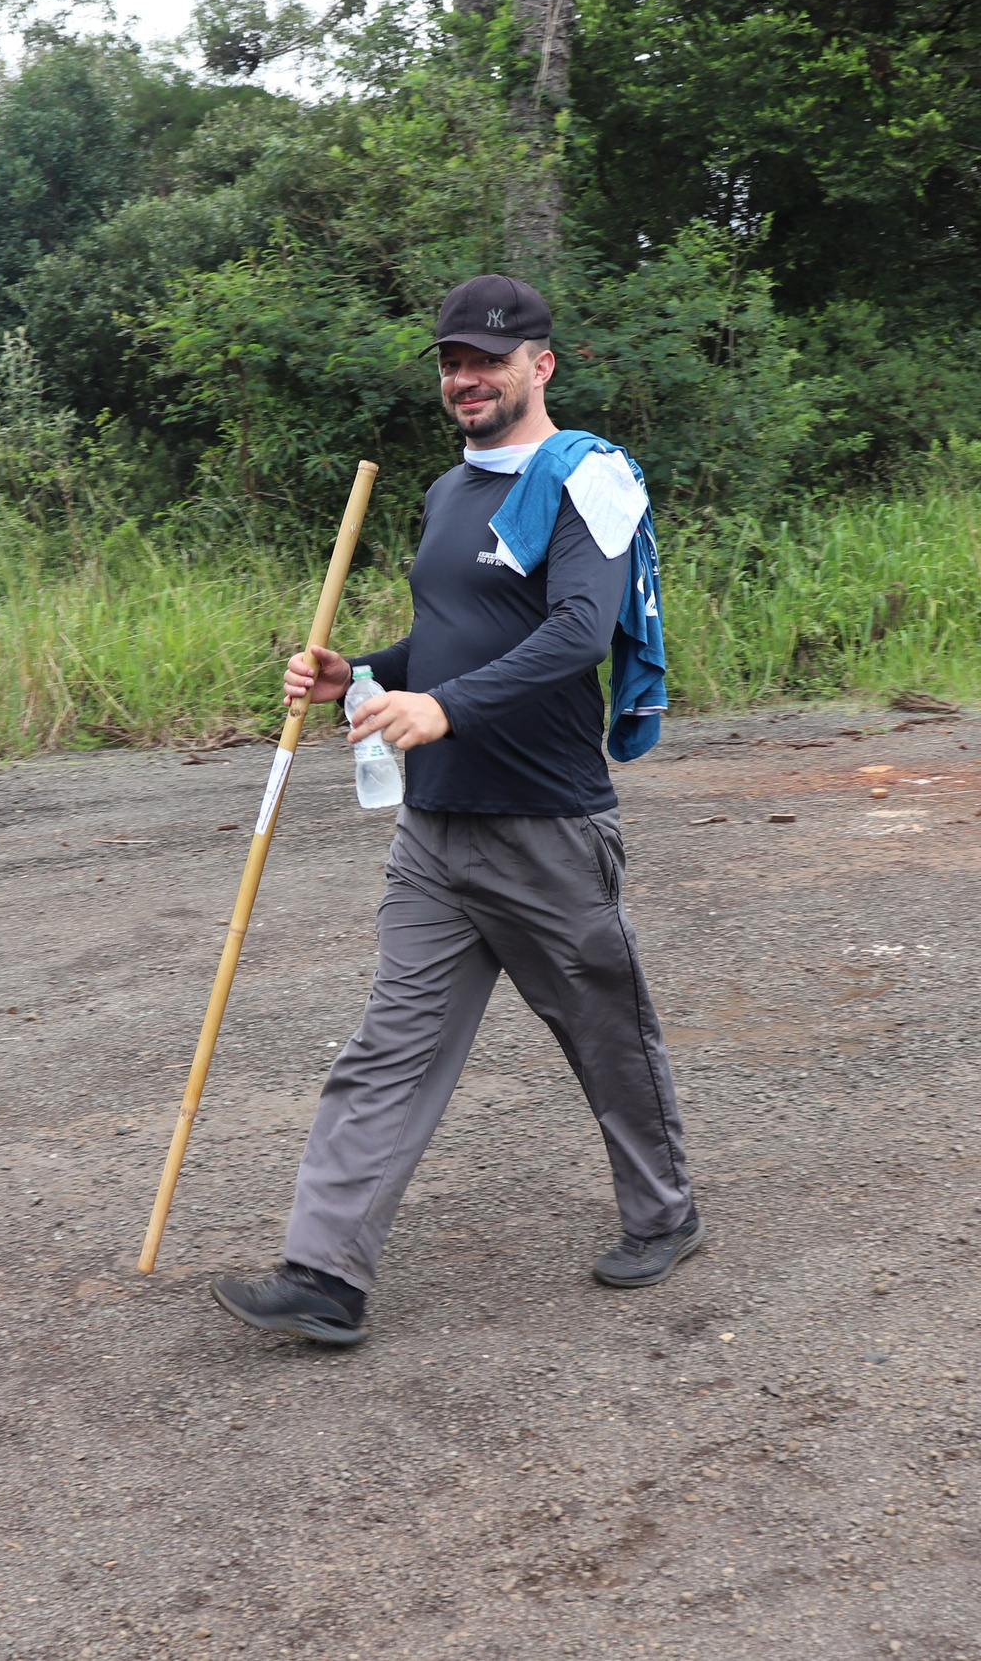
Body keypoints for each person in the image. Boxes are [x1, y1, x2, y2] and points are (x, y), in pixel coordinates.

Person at [210, 274, 700, 1349]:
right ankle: (324, 1277)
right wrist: (363, 673)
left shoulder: (588, 482)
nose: (465, 379)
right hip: (435, 829)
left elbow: (576, 632)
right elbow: (446, 640)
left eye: (488, 359)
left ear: (541, 365)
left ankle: (665, 1212)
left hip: (545, 824)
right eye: (451, 361)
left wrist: (444, 707)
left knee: (602, 1033)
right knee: (387, 1046)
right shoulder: (447, 495)